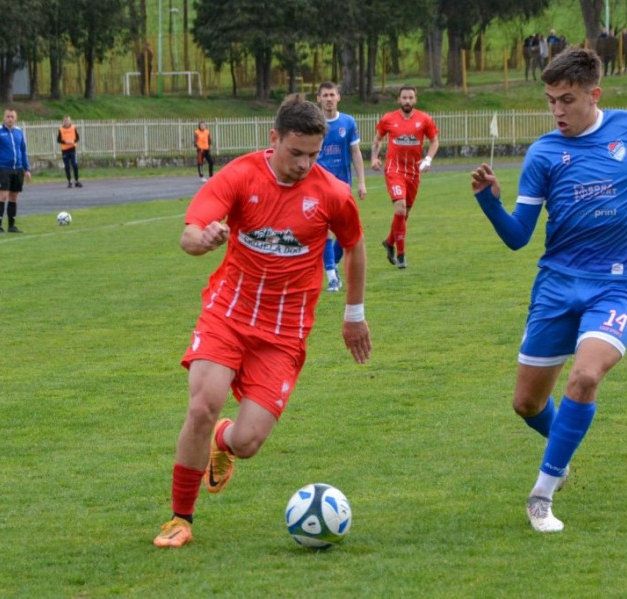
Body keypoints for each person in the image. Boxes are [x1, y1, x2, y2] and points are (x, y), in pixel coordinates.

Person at [470, 47, 627, 533]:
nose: (557, 111)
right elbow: (518, 237)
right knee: (527, 404)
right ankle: (560, 452)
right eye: (550, 101)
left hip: (617, 285)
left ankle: (541, 494)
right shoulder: (543, 154)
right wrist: (489, 202)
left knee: (584, 377)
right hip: (556, 285)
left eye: (567, 100)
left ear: (594, 94)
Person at [153, 95, 372, 548]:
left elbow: (354, 245)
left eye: (313, 154)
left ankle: (223, 441)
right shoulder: (240, 176)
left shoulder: (332, 193)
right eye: (296, 153)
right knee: (202, 406)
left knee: (248, 442)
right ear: (274, 138)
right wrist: (203, 239)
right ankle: (179, 519)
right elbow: (189, 234)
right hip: (228, 314)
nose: (304, 164)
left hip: (284, 332)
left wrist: (354, 314)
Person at [371, 85, 439, 270]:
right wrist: (374, 158)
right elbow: (377, 139)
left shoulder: (424, 119)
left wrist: (428, 159)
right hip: (394, 170)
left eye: (410, 98)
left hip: (414, 172)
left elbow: (434, 141)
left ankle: (389, 242)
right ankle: (401, 256)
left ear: (415, 99)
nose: (407, 101)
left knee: (404, 214)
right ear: (398, 100)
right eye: (404, 98)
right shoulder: (388, 119)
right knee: (400, 207)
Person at [316, 81, 367, 292]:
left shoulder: (348, 122)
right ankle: (331, 277)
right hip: (320, 185)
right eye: (325, 95)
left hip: (343, 185)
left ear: (339, 97)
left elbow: (355, 152)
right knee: (326, 229)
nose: (329, 99)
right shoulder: (314, 124)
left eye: (332, 95)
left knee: (350, 230)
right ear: (318, 98)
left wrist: (362, 181)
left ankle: (333, 264)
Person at [0, 108, 31, 234]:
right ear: (4, 117)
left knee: (14, 196)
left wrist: (27, 168)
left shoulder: (19, 132)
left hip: (17, 168)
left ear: (15, 118)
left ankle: (12, 226)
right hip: (4, 168)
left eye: (12, 117)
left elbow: (23, 150)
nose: (10, 119)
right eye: (8, 116)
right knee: (3, 195)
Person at [57, 115, 82, 188]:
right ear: (63, 122)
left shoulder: (73, 128)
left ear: (70, 121)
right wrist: (65, 142)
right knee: (67, 166)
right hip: (65, 150)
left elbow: (77, 138)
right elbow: (58, 140)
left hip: (72, 149)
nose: (67, 122)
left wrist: (73, 141)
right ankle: (69, 181)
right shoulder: (61, 129)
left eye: (68, 120)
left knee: (75, 165)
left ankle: (76, 181)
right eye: (65, 121)